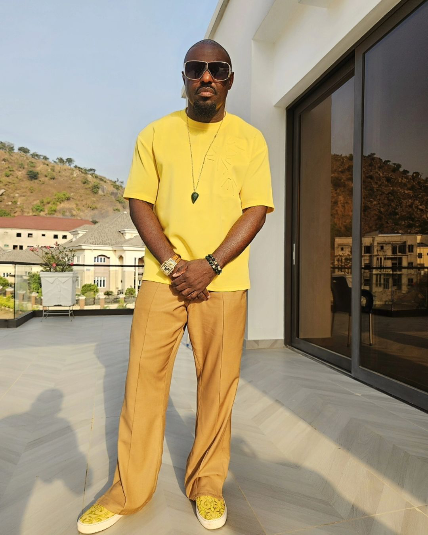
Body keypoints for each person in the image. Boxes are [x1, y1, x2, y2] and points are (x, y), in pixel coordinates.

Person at [77, 38, 274, 533]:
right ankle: (128, 491)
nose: (206, 77)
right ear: (184, 77)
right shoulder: (155, 134)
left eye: (217, 69)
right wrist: (173, 265)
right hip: (160, 279)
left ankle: (207, 484)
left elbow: (256, 209)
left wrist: (210, 265)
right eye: (196, 68)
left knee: (218, 386)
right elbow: (139, 202)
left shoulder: (250, 139)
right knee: (142, 385)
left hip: (223, 281)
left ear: (230, 79)